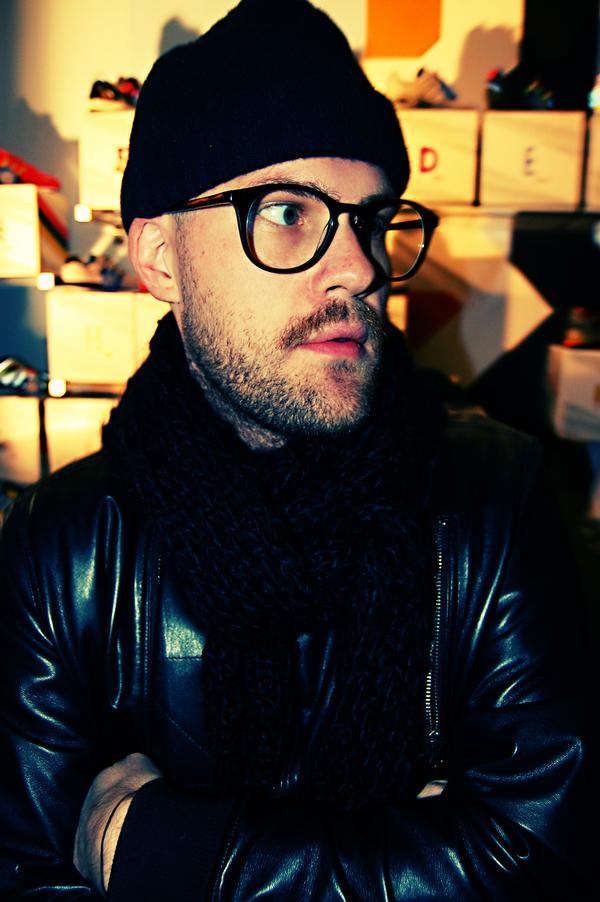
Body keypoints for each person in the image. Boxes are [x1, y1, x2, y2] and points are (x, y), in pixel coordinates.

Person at [0, 0, 592, 898]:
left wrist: (178, 856)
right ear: (159, 259)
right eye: (286, 211)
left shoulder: (493, 501)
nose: (359, 267)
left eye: (372, 219)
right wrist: (423, 855)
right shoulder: (62, 549)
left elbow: (545, 862)